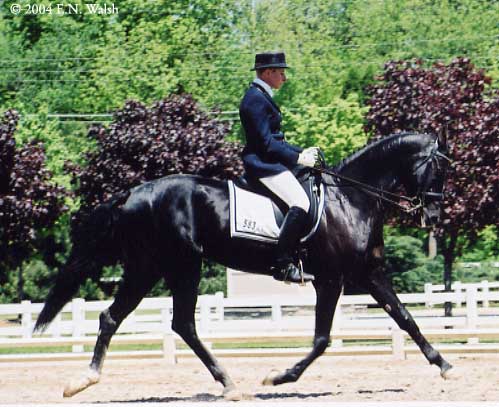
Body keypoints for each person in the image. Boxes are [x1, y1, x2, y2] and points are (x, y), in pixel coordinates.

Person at [239, 52, 318, 284]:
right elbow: (266, 144)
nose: (284, 78)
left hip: (271, 160)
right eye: (281, 73)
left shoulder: (262, 96)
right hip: (263, 164)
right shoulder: (254, 99)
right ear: (267, 73)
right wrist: (298, 158)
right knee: (301, 202)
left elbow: (277, 140)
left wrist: (302, 152)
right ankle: (282, 264)